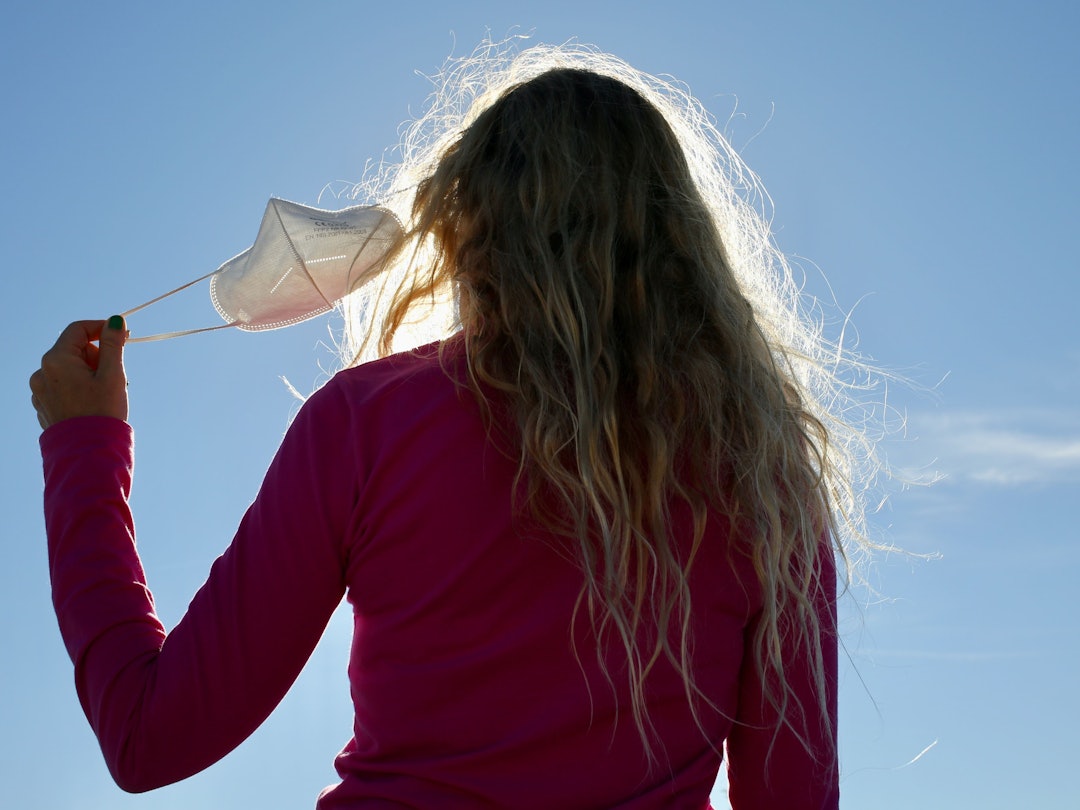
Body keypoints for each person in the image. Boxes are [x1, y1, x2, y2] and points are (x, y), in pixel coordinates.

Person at [30, 43, 875, 809]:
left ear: (464, 226)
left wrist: (82, 445)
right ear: (683, 244)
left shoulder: (367, 423)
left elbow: (150, 736)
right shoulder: (766, 479)